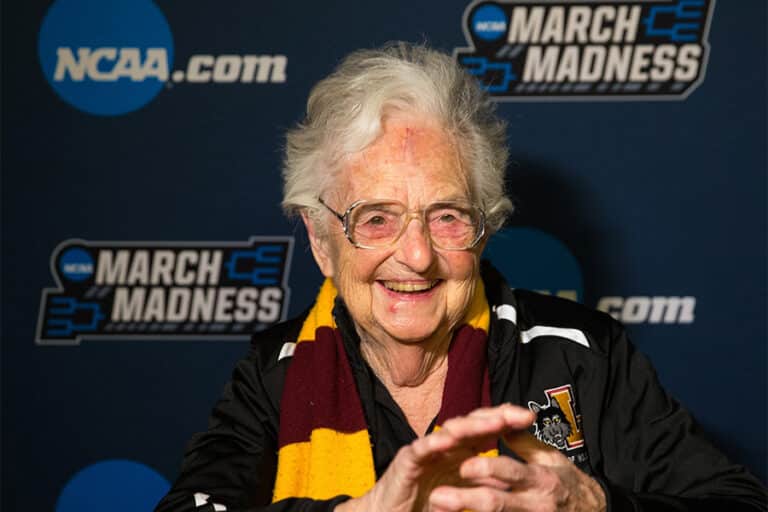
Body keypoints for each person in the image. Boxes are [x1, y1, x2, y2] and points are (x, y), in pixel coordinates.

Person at [155, 43, 766, 512]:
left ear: (485, 228)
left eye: (447, 216)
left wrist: (596, 504)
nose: (417, 256)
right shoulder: (275, 371)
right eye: (376, 218)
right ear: (321, 241)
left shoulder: (581, 355)